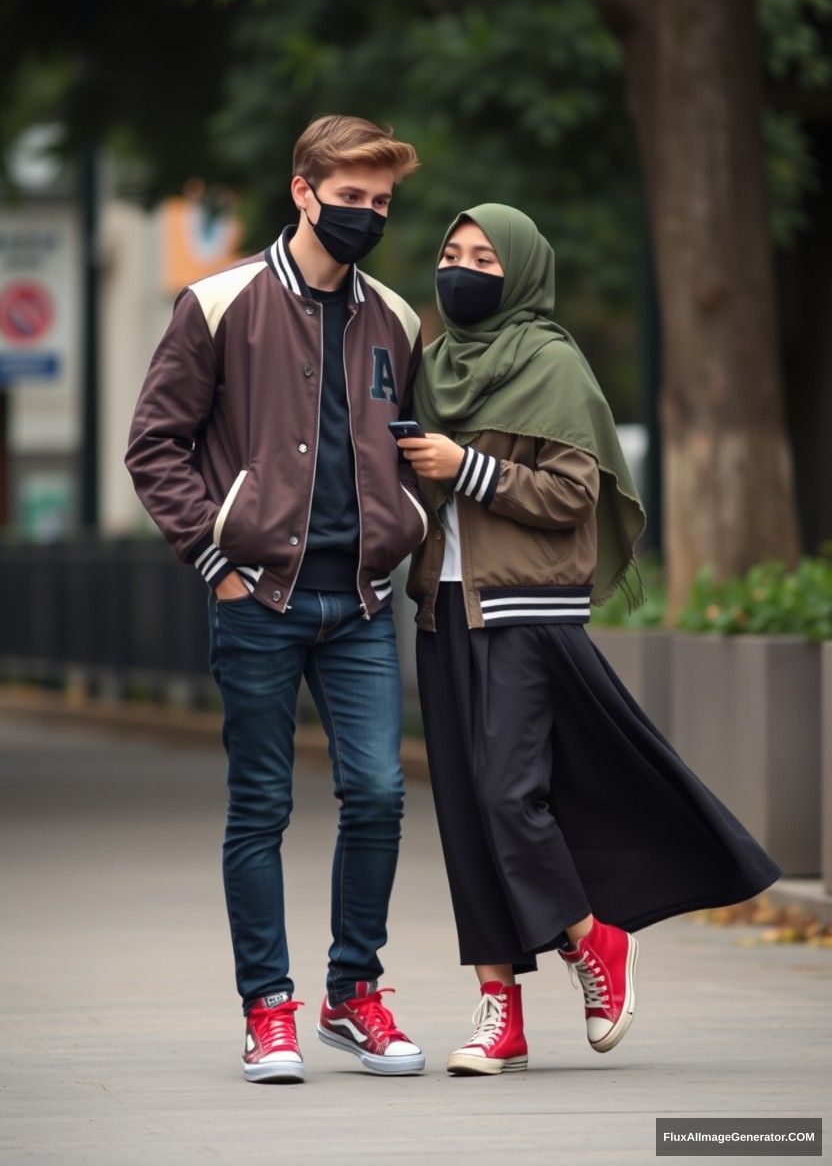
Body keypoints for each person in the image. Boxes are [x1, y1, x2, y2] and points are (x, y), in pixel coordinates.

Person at [398, 203, 782, 1077]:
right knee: (462, 814)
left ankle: (591, 941)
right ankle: (501, 1013)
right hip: (440, 610)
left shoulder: (551, 361)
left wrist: (466, 467)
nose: (462, 270)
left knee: (507, 796)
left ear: (524, 270)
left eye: (484, 257)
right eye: (453, 254)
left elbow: (574, 495)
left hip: (525, 613)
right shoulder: (435, 366)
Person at [126, 115, 430, 1084]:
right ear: (302, 191)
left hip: (361, 604)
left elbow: (409, 446)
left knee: (378, 794)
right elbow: (154, 444)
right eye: (350, 200)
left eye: (381, 204)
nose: (367, 217)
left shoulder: (396, 318)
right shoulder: (218, 304)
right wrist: (213, 558)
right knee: (259, 805)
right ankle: (268, 1007)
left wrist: (404, 527)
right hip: (255, 597)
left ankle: (353, 994)